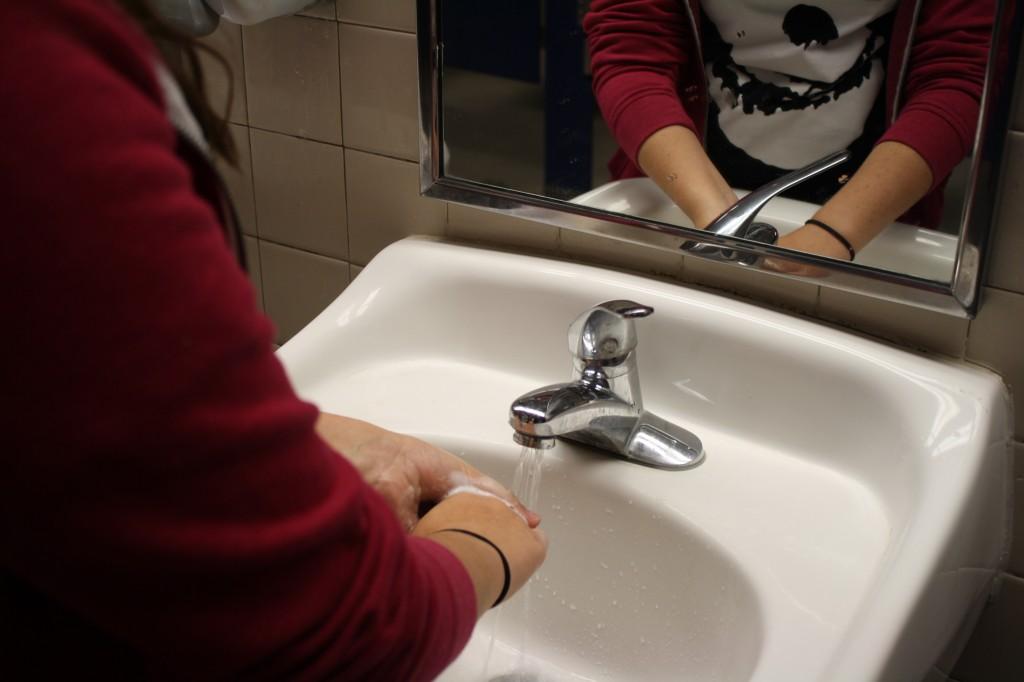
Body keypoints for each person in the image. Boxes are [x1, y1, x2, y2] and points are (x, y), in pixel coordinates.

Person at [0, 1, 547, 679]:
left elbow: (58, 398)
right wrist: (484, 544)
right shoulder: (42, 87)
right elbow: (344, 630)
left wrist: (307, 436)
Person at [584, 0, 993, 274]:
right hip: (676, 187)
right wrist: (716, 218)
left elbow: (957, 79)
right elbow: (632, 51)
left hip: (874, 214)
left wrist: (834, 236)